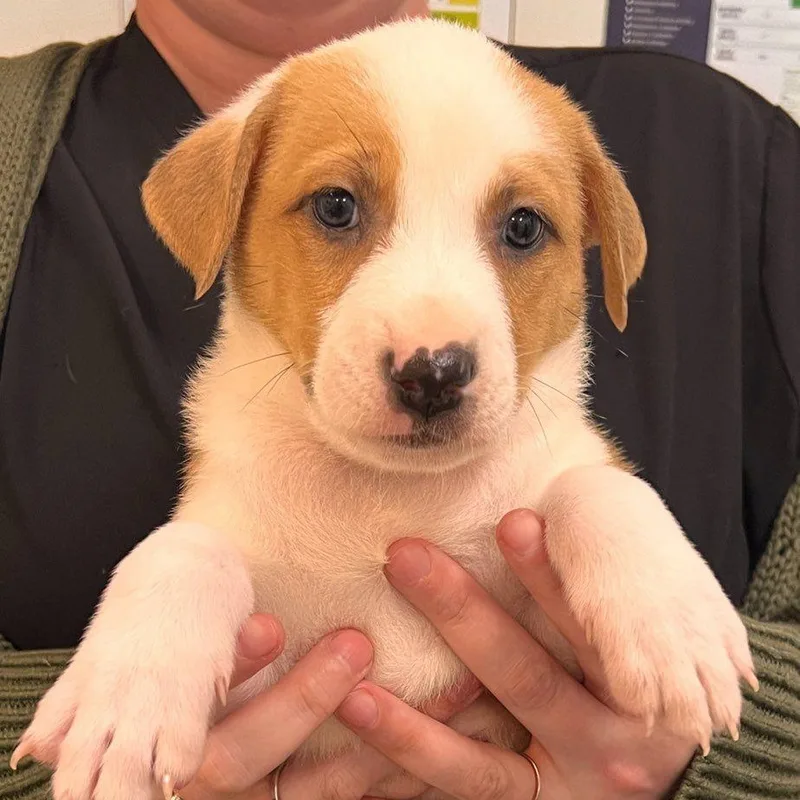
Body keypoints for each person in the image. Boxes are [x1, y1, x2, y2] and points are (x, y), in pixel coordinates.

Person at [0, 1, 798, 797]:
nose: (432, 360)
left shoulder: (722, 142)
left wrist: (700, 754)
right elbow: (214, 575)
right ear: (228, 214)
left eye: (521, 230)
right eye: (337, 208)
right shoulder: (228, 516)